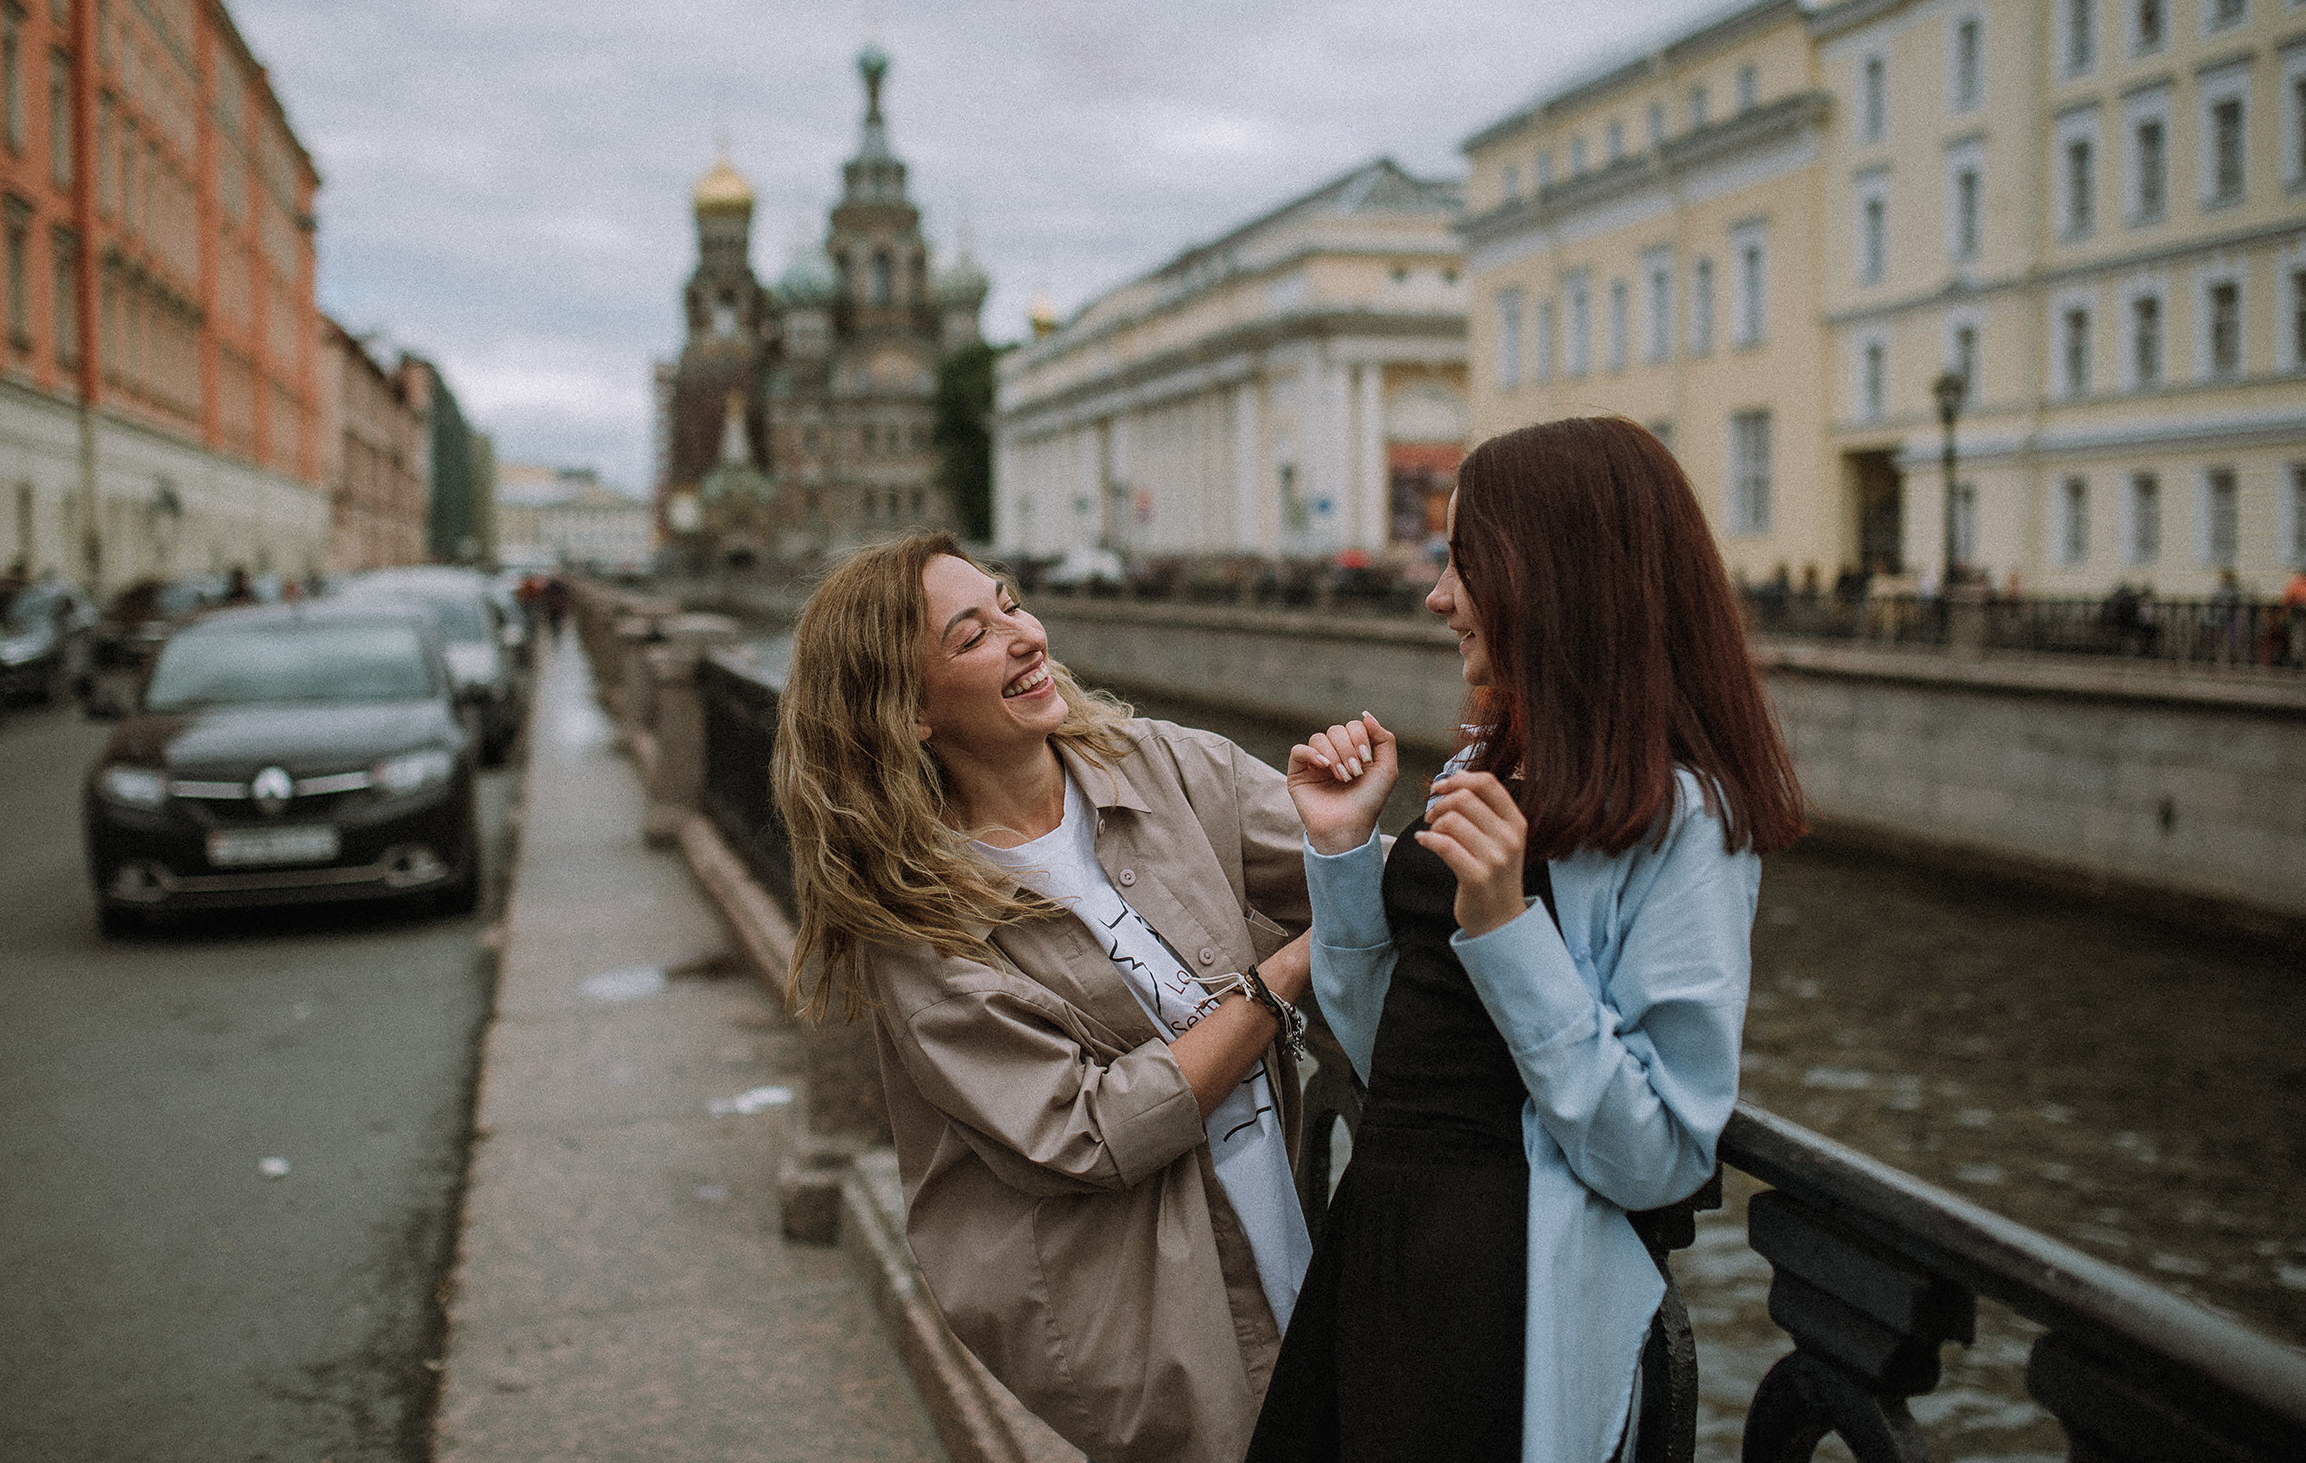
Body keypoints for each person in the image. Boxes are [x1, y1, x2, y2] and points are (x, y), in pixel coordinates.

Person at [1249, 417, 1808, 1463]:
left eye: (1465, 562)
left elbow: (1659, 1150)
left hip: (1509, 1303)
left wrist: (1508, 928)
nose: (1438, 595)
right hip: (1383, 1247)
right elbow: (1390, 1053)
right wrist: (1341, 854)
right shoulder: (1484, 772)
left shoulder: (1686, 818)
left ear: (1552, 578)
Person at [772, 533, 1317, 1463]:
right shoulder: (921, 923)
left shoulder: (1161, 766)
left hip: (1294, 1219)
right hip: (1154, 1309)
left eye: (1012, 603)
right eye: (973, 634)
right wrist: (1279, 982)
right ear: (908, 712)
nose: (1026, 635)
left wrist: (1382, 833)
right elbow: (1084, 1132)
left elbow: (1356, 875)